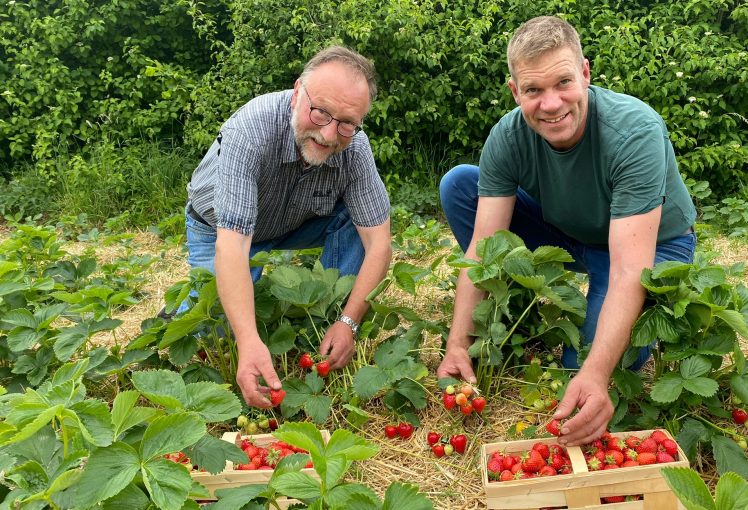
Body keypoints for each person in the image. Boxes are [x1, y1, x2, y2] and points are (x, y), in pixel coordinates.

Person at [436, 16, 697, 446]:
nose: (552, 104)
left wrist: (596, 374)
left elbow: (630, 270)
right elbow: (483, 250)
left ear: (586, 74)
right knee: (461, 184)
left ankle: (595, 346)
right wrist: (457, 344)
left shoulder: (634, 131)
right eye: (534, 90)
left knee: (578, 376)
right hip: (571, 232)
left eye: (563, 83)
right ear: (515, 91)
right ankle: (507, 307)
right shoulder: (508, 137)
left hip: (651, 247)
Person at [184, 46, 391, 408]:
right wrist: (248, 340)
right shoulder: (251, 129)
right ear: (297, 92)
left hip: (294, 221)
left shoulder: (355, 147)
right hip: (221, 228)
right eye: (321, 112)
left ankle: (328, 320)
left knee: (356, 222)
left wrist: (349, 321)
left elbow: (379, 244)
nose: (329, 135)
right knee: (220, 336)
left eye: (346, 123)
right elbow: (232, 246)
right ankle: (183, 315)